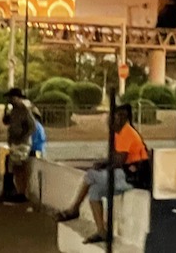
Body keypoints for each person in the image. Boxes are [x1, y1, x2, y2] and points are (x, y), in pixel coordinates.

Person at [56, 104, 150, 243]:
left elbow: (119, 161)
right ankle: (101, 231)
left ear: (122, 118)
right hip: (125, 174)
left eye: (113, 117)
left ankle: (74, 209)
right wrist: (104, 163)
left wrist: (104, 165)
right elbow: (115, 159)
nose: (109, 120)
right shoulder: (119, 133)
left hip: (132, 178)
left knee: (91, 175)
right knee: (94, 191)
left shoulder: (127, 133)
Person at [1, 87, 34, 203]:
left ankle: (21, 192)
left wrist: (22, 137)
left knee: (19, 166)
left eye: (11, 98)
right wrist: (6, 111)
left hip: (22, 143)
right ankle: (18, 191)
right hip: (14, 142)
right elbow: (6, 121)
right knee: (15, 167)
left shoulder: (24, 111)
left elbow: (32, 127)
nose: (10, 100)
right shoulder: (13, 110)